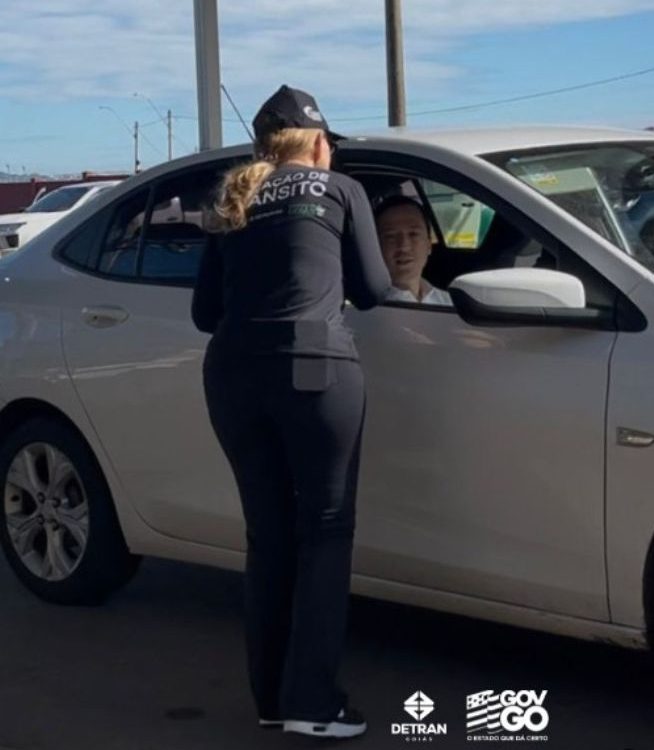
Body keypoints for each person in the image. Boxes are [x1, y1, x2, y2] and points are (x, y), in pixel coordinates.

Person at [191, 84, 391, 740]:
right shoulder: (340, 190)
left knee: (268, 535)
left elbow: (204, 312)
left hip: (231, 374)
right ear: (320, 144)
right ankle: (314, 703)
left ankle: (274, 701)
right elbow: (374, 288)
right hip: (315, 368)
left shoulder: (231, 199)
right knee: (326, 531)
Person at [374, 195, 452, 305]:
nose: (403, 246)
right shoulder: (362, 309)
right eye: (391, 236)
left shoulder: (448, 302)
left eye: (413, 234)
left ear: (429, 245)